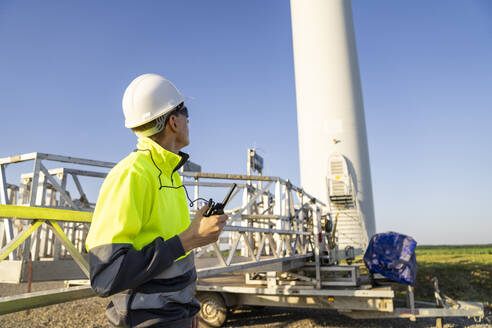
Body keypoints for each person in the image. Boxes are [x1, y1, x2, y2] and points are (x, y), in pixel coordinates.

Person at [85, 73, 228, 328]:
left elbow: (177, 262)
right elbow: (106, 275)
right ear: (173, 121)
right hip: (146, 322)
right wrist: (190, 238)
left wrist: (189, 307)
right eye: (187, 114)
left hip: (178, 317)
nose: (189, 121)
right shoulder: (131, 175)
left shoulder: (169, 176)